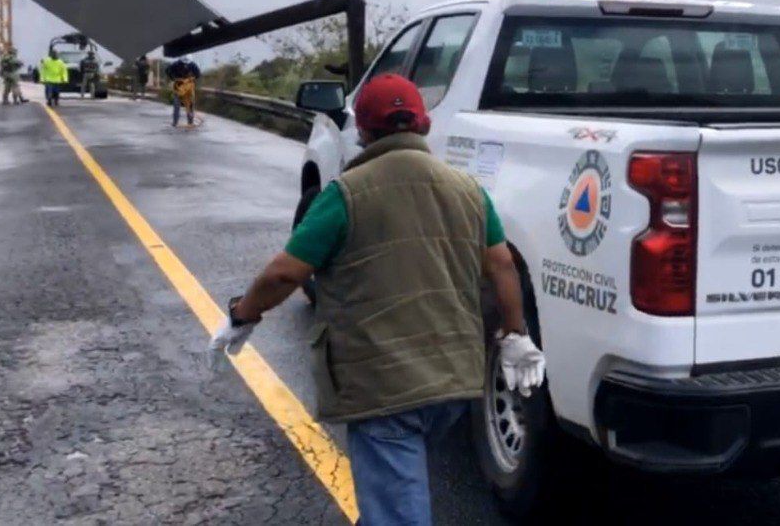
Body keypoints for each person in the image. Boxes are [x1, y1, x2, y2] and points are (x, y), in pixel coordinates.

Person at [210, 74, 545, 525]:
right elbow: (502, 266)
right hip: (454, 383)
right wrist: (516, 336)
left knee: (395, 504)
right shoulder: (469, 190)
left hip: (386, 387)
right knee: (393, 490)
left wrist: (242, 316)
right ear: (424, 125)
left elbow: (285, 273)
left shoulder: (345, 194)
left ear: (363, 132)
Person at [164, 55, 200, 126]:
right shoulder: (175, 64)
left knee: (190, 104)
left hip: (188, 86)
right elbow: (167, 71)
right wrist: (173, 78)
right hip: (178, 86)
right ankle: (175, 122)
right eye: (184, 63)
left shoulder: (192, 65)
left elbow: (198, 74)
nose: (185, 64)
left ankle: (190, 122)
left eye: (187, 63)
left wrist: (192, 78)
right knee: (177, 105)